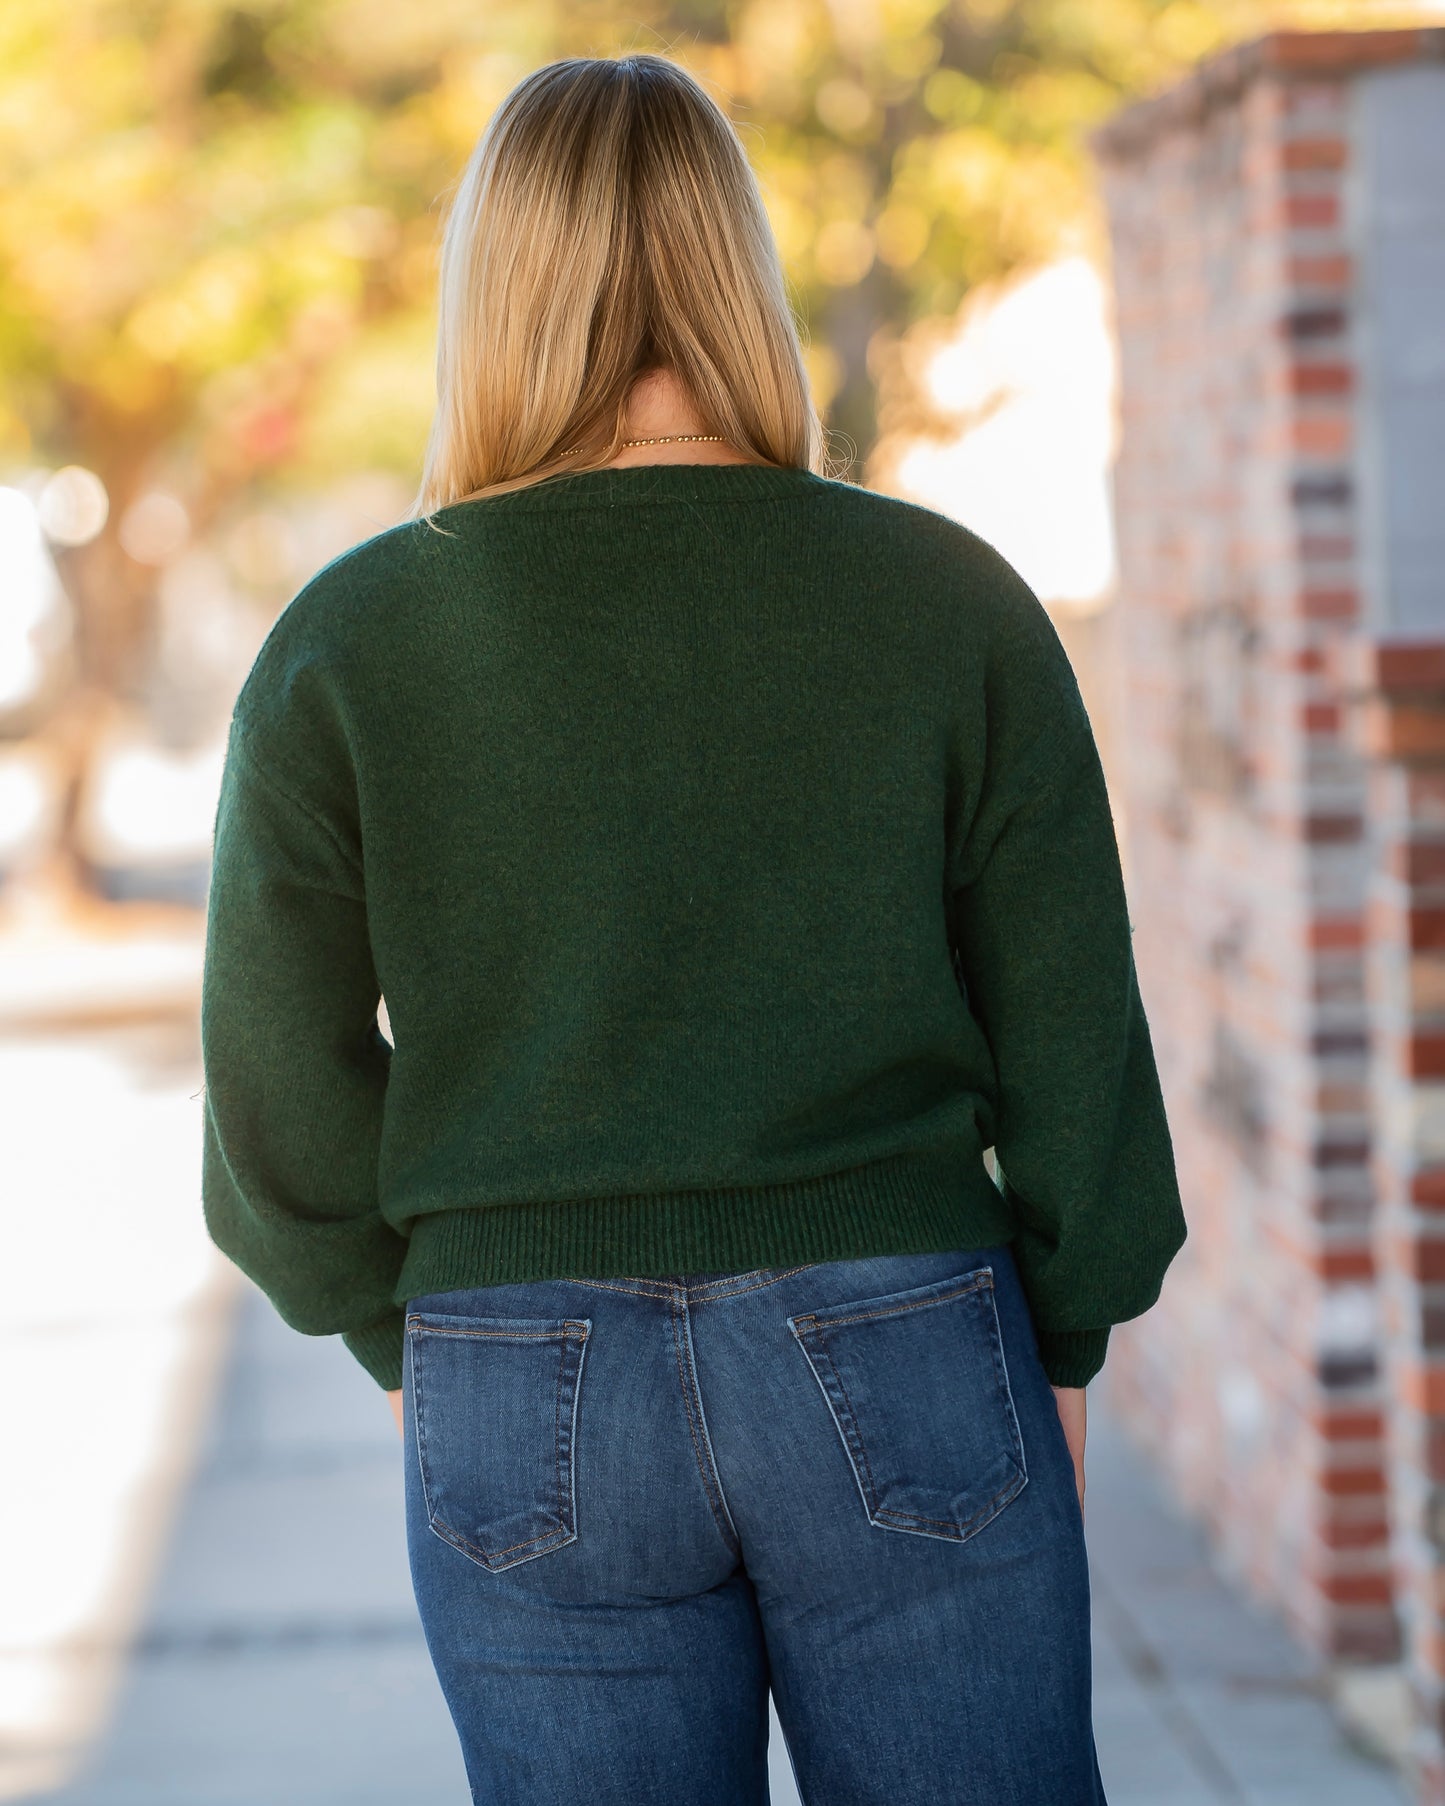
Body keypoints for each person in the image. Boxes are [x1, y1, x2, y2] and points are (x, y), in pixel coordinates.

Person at [199, 49, 1187, 1806]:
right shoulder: (945, 600)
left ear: (493, 285)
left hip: (515, 1363)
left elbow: (275, 1110)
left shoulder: (344, 643)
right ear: (739, 267)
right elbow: (1074, 1049)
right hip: (903, 1324)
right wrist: (1064, 1342)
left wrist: (418, 1335)